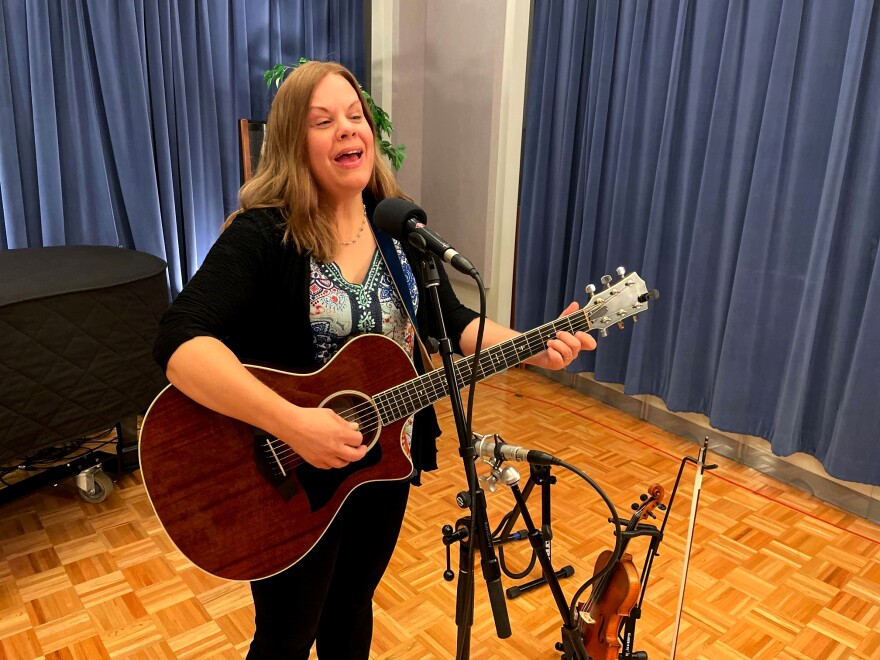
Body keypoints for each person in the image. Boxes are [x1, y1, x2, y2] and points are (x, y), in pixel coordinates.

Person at [153, 60, 596, 660]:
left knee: (350, 611)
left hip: (383, 460)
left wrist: (531, 344)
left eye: (355, 115)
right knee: (287, 634)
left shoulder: (395, 226)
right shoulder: (263, 236)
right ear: (290, 141)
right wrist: (293, 423)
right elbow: (180, 342)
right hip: (285, 473)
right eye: (323, 120)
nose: (347, 129)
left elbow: (450, 324)